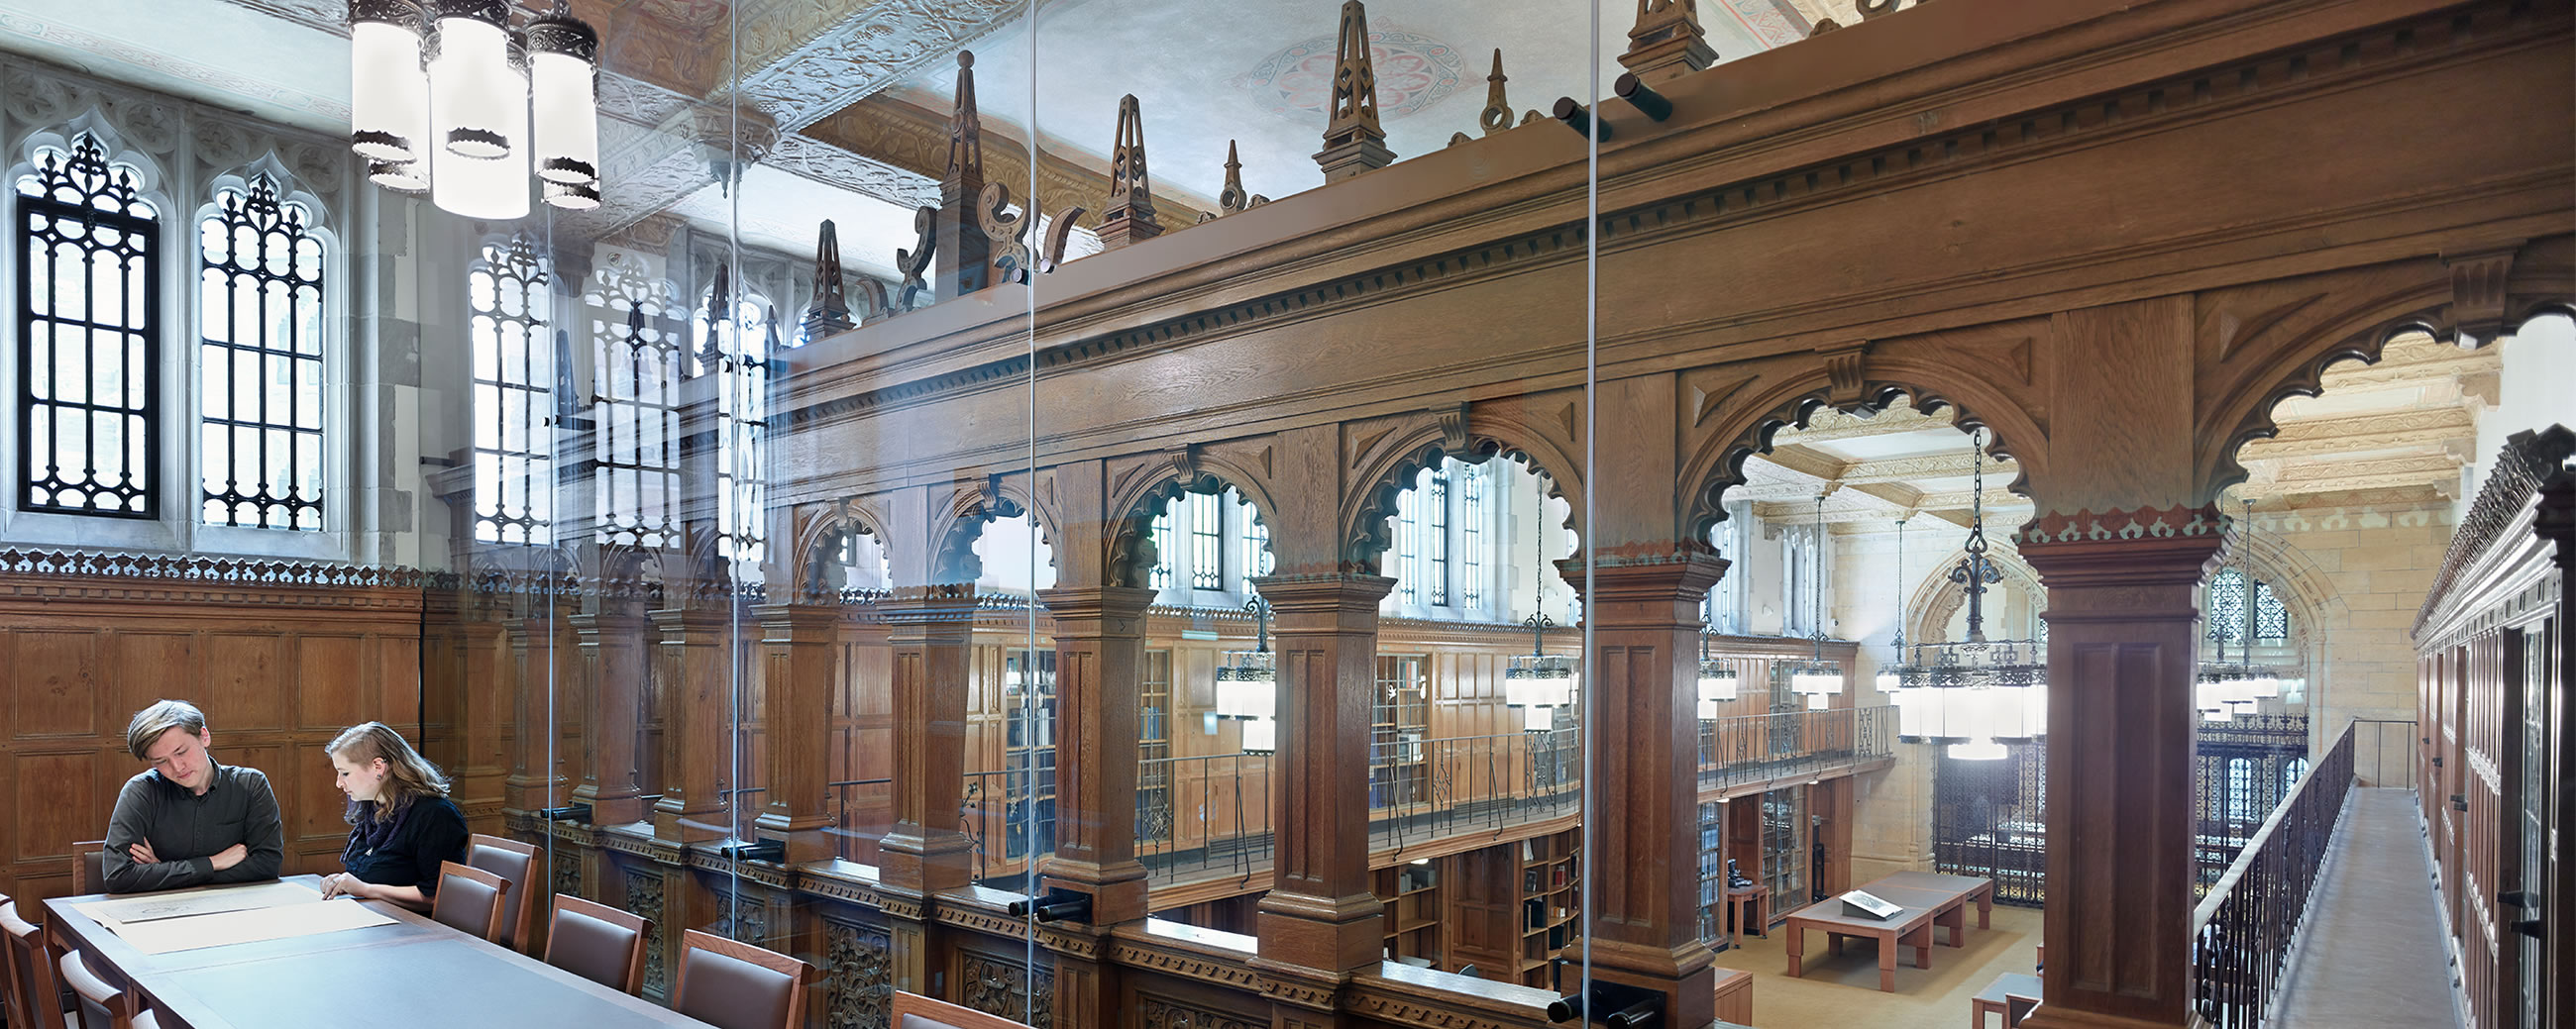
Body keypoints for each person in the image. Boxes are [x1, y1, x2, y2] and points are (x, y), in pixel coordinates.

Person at [104, 700, 285, 893]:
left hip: (235, 907)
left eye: (181, 752)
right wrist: (212, 863)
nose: (177, 767)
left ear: (204, 736)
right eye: (161, 761)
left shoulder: (251, 785)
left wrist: (163, 871)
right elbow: (118, 876)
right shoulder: (140, 791)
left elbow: (267, 866)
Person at [316, 722, 468, 912]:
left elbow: (439, 895)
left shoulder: (436, 815)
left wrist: (366, 889)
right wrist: (341, 882)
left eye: (345, 773)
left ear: (378, 767)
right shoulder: (374, 810)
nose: (339, 783)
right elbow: (370, 873)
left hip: (418, 930)